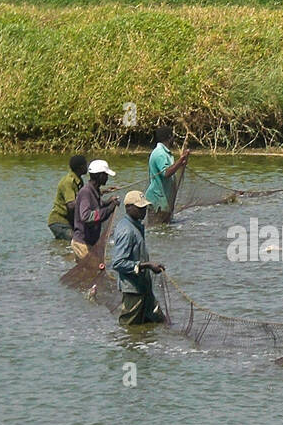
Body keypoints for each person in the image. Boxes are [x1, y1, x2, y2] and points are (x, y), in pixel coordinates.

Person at [110, 191, 166, 325]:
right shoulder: (126, 230)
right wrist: (146, 266)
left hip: (143, 287)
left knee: (158, 322)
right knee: (129, 327)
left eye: (145, 207)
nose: (144, 211)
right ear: (128, 207)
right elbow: (118, 263)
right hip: (133, 291)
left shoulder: (136, 225)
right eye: (140, 208)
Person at [71, 158, 119, 259]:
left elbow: (96, 207)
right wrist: (109, 209)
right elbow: (86, 216)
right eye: (105, 175)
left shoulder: (94, 190)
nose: (107, 178)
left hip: (89, 242)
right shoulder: (86, 192)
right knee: (92, 271)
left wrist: (108, 202)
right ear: (99, 175)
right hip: (82, 243)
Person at [144, 124, 192, 219]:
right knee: (157, 229)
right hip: (158, 201)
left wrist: (181, 162)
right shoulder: (160, 153)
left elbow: (171, 168)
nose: (174, 139)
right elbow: (166, 173)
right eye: (173, 136)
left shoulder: (165, 153)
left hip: (163, 199)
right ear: (169, 137)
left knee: (163, 230)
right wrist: (181, 158)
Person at [47, 154, 87, 240]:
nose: (87, 167)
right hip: (59, 221)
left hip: (68, 221)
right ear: (80, 167)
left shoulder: (79, 181)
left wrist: (103, 191)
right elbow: (71, 205)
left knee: (65, 245)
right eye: (85, 165)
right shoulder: (68, 182)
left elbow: (83, 195)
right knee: (76, 241)